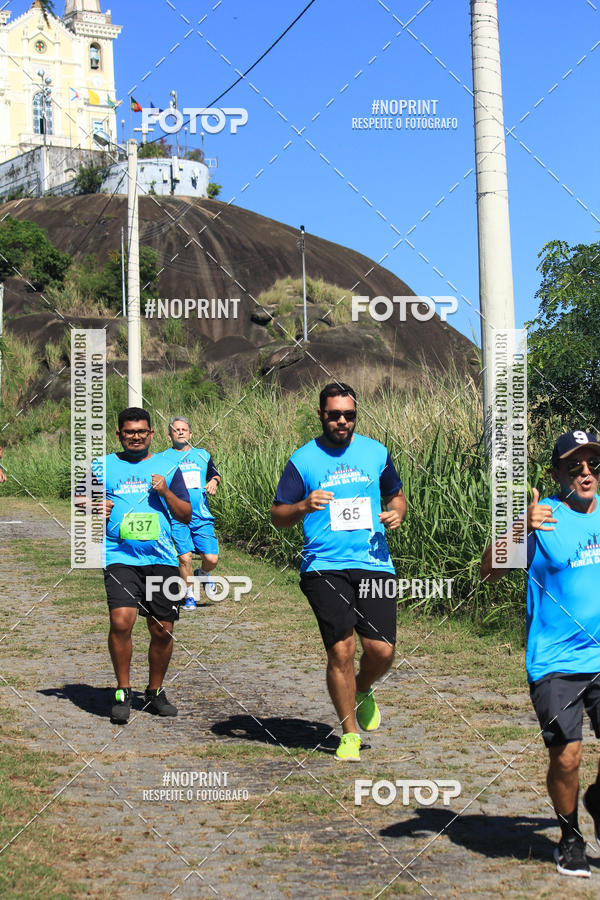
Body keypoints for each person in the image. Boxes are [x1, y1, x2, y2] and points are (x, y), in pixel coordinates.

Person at [481, 429, 600, 878]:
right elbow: (488, 572)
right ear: (557, 474)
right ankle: (569, 836)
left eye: (593, 464)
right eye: (575, 466)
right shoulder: (542, 518)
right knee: (567, 756)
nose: (586, 473)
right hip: (555, 662)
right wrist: (519, 527)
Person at [271, 383, 406, 761]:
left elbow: (396, 494)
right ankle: (348, 734)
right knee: (342, 649)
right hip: (323, 567)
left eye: (349, 414)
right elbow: (277, 515)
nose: (342, 421)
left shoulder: (376, 452)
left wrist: (398, 511)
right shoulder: (303, 460)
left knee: (382, 650)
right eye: (334, 414)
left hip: (374, 562)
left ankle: (362, 687)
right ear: (321, 415)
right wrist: (302, 505)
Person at [91, 407, 192, 724]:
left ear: (150, 435)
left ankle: (155, 691)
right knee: (121, 621)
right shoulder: (101, 466)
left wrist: (164, 491)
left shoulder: (168, 466)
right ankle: (123, 690)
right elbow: (81, 503)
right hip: (120, 555)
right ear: (119, 435)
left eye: (141, 431)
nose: (135, 436)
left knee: (162, 630)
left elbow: (185, 513)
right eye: (129, 432)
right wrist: (95, 507)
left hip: (160, 557)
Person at [161, 417, 221, 610]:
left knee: (211, 559)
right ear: (169, 434)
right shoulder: (161, 458)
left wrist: (214, 482)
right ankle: (189, 596)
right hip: (176, 515)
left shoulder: (202, 455)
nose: (180, 432)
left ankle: (202, 573)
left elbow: (214, 473)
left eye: (184, 430)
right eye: (176, 430)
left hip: (201, 515)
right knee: (184, 557)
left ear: (190, 434)